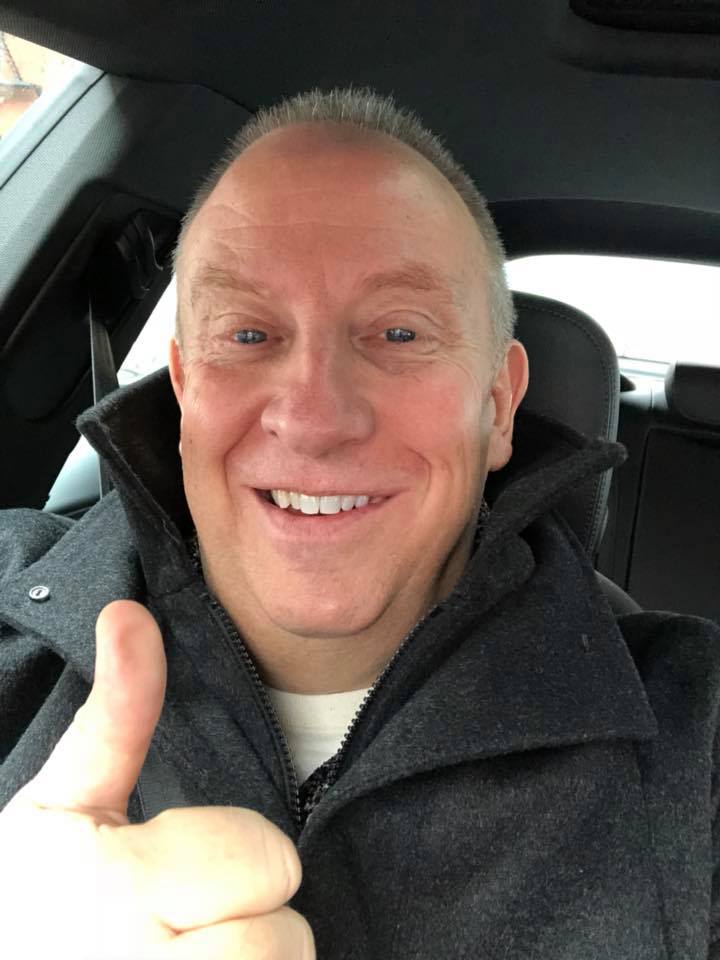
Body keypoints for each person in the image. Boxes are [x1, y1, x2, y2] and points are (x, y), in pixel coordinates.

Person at [1, 87, 719, 960]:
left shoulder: (695, 738)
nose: (314, 419)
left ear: (498, 404)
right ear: (184, 389)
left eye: (400, 333)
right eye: (249, 334)